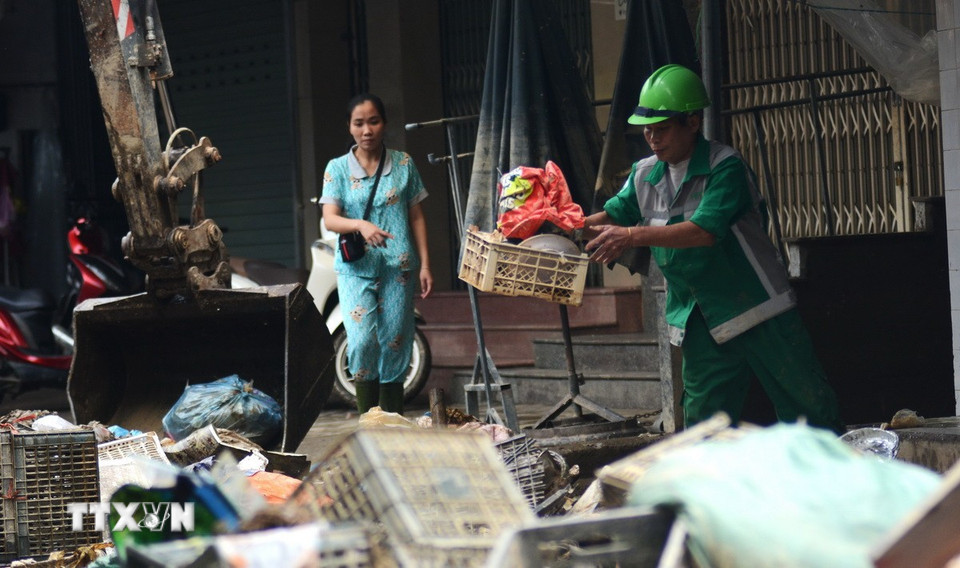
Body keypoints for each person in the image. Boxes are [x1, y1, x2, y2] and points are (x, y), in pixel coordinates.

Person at [585, 64, 844, 434]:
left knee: (807, 406)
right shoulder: (643, 173)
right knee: (704, 424)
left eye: (662, 129)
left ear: (692, 122)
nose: (653, 139)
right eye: (647, 130)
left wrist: (630, 236)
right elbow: (611, 215)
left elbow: (704, 231)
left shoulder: (725, 167)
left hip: (756, 307)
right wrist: (561, 221)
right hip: (699, 315)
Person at [319, 93, 433, 416]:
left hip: (400, 266)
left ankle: (392, 420)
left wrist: (426, 264)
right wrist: (360, 225)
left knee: (396, 339)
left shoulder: (403, 163)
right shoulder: (337, 169)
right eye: (359, 123)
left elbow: (417, 216)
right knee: (361, 341)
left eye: (373, 122)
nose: (366, 130)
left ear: (384, 124)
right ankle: (369, 418)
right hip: (356, 268)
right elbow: (330, 219)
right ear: (349, 127)